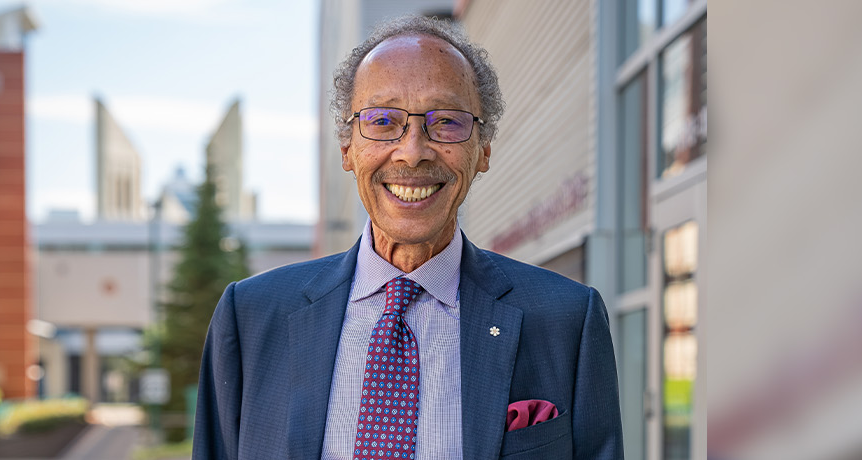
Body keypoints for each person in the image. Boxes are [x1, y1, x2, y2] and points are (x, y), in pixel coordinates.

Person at [193, 15, 622, 460]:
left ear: (484, 150)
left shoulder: (566, 321)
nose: (413, 151)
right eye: (382, 120)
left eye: (447, 122)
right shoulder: (250, 317)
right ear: (348, 149)